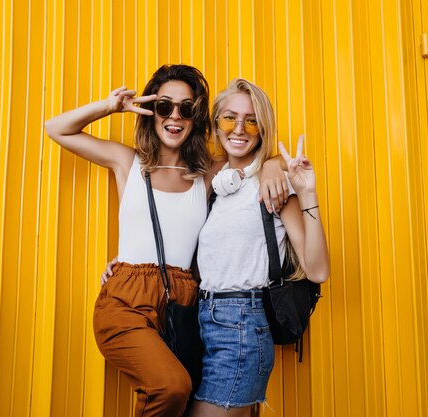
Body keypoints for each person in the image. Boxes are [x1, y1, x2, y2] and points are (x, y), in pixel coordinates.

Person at [45, 65, 287, 417]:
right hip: (126, 302)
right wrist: (110, 106)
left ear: (196, 117)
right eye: (164, 106)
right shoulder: (127, 162)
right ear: (151, 112)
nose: (175, 116)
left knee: (191, 400)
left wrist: (274, 166)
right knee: (171, 386)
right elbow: (56, 129)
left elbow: (253, 155)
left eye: (186, 108)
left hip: (183, 305)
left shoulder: (206, 175)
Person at [189, 79, 330, 417]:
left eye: (251, 120)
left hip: (242, 328)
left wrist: (306, 192)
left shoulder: (274, 189)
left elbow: (319, 270)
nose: (239, 129)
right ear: (215, 124)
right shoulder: (212, 181)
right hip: (202, 326)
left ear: (262, 128)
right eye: (229, 118)